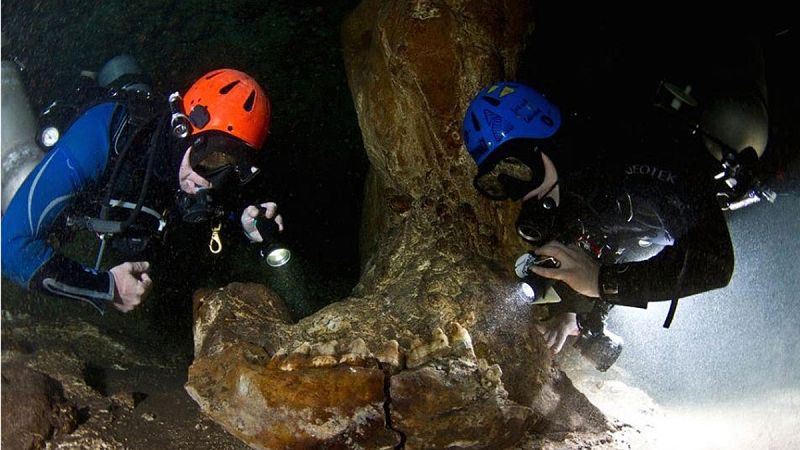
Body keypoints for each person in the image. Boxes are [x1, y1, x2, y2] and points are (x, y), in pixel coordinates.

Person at [462, 81, 739, 370]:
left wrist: (601, 282)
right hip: (651, 232)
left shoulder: (642, 153)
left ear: (542, 144)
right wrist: (575, 314)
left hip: (701, 207)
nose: (520, 193)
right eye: (500, 182)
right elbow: (609, 245)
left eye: (517, 169)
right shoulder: (572, 184)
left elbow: (715, 263)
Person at [1, 55, 285, 314]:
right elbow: (11, 247)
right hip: (69, 196)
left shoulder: (200, 174)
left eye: (232, 169)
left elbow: (220, 211)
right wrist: (106, 287)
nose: (210, 184)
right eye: (211, 160)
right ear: (182, 130)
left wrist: (244, 223)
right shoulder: (103, 133)